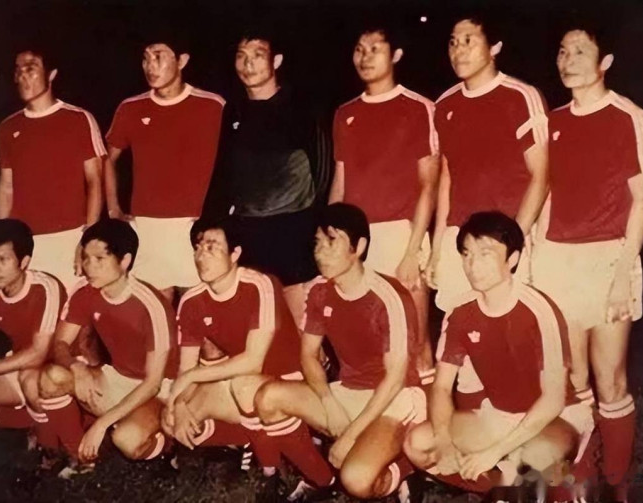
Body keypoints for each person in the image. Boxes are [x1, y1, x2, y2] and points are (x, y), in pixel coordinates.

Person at [532, 24, 643, 500]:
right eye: (563, 51)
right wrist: (536, 258)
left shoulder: (629, 117)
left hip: (608, 257)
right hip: (556, 257)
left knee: (610, 379)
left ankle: (617, 482)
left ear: (605, 62)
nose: (569, 61)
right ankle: (580, 476)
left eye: (581, 51)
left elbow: (642, 203)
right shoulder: (553, 121)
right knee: (571, 376)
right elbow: (546, 193)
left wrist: (623, 275)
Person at [404, 212, 594, 499]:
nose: (473, 265)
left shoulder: (539, 311)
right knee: (418, 443)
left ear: (513, 259)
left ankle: (563, 471)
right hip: (498, 415)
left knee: (535, 457)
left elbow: (553, 400)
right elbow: (441, 387)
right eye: (467, 254)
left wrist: (494, 452)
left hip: (555, 418)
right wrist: (444, 442)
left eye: (485, 254)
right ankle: (503, 483)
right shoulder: (460, 312)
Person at [255, 203, 427, 500]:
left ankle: (404, 468)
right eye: (318, 243)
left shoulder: (388, 296)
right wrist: (328, 402)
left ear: (358, 247)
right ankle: (320, 477)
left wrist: (349, 435)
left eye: (332, 242)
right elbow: (308, 355)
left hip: (394, 400)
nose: (321, 252)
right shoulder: (320, 291)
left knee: (357, 480)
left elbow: (396, 379)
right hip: (349, 391)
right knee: (267, 398)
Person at [164, 217, 334, 498]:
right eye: (198, 248)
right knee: (171, 419)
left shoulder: (259, 284)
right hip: (242, 379)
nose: (201, 255)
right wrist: (179, 403)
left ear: (235, 254)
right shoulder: (192, 301)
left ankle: (320, 479)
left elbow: (253, 361)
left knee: (244, 386)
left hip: (290, 377)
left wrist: (192, 377)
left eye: (212, 247)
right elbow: (186, 368)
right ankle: (257, 443)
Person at [331, 22, 439, 376]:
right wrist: (331, 240)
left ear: (396, 55)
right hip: (356, 241)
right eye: (359, 49)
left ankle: (426, 411)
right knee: (372, 342)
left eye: (375, 49)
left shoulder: (418, 107)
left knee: (417, 343)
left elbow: (429, 185)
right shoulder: (345, 113)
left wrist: (412, 251)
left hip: (400, 234)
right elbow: (341, 182)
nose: (365, 57)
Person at [202, 27, 330, 321]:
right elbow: (224, 171)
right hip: (248, 229)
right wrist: (210, 222)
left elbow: (323, 171)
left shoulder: (302, 108)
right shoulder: (234, 111)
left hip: (294, 231)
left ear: (277, 60)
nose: (248, 64)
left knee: (303, 324)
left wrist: (317, 225)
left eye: (258, 55)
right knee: (258, 321)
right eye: (241, 56)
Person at [425, 14, 549, 313]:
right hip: (460, 238)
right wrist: (437, 247)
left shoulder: (521, 96)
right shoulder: (445, 104)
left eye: (469, 41)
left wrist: (512, 242)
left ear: (495, 47)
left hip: (507, 235)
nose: (459, 50)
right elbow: (447, 178)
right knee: (459, 326)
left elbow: (542, 176)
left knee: (510, 328)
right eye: (453, 43)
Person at [39, 219, 179, 462]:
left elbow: (153, 383)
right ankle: (80, 454)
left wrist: (101, 424)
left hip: (157, 391)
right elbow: (59, 344)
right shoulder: (86, 293)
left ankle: (165, 439)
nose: (89, 267)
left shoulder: (150, 305)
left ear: (124, 261)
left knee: (127, 439)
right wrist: (76, 367)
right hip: (117, 378)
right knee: (51, 378)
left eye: (99, 259)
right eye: (85, 258)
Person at [104, 31, 225, 303]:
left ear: (182, 60)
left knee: (200, 313)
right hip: (148, 228)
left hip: (195, 226)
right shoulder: (130, 108)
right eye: (145, 58)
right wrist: (114, 209)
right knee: (156, 317)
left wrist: (218, 215)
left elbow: (233, 162)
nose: (150, 66)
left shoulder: (213, 106)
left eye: (158, 57)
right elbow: (107, 159)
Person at [0, 219, 81, 458]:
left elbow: (39, 353)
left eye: (3, 259)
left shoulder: (45, 287)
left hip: (61, 364)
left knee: (38, 380)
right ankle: (32, 419)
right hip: (22, 364)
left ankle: (71, 451)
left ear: (24, 261)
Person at [0, 46, 105, 292]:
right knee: (32, 311)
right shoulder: (7, 127)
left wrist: (87, 239)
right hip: (25, 242)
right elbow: (6, 187)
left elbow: (95, 181)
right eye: (18, 71)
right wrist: (3, 241)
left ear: (51, 74)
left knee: (72, 311)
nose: (23, 76)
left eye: (31, 69)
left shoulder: (79, 119)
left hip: (69, 237)